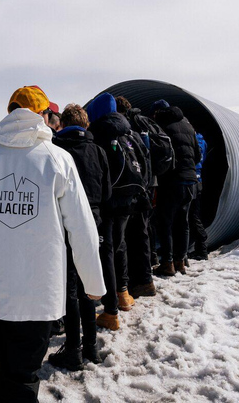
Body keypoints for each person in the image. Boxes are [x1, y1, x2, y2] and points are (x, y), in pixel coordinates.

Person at [0, 86, 106, 402]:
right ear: (44, 114)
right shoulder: (58, 160)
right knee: (20, 376)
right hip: (36, 296)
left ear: (10, 112)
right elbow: (82, 228)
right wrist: (93, 282)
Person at [49, 104, 111, 370]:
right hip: (94, 220)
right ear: (86, 124)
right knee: (89, 283)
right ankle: (92, 346)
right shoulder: (98, 150)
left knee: (70, 288)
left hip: (64, 222)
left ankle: (73, 348)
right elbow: (108, 190)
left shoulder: (57, 150)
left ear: (63, 123)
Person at [86, 93, 149, 331]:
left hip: (109, 202)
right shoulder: (129, 132)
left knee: (106, 250)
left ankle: (110, 311)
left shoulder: (98, 133)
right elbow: (144, 162)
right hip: (130, 199)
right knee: (119, 244)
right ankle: (123, 294)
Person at [115, 96, 160, 298]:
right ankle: (146, 281)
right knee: (141, 235)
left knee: (124, 239)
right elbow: (147, 159)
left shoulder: (116, 135)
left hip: (126, 196)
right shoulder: (135, 133)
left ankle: (128, 285)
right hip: (143, 191)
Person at [150, 100, 201, 276]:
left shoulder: (162, 126)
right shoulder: (187, 125)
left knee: (166, 223)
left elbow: (159, 154)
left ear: (157, 113)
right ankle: (181, 261)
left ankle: (167, 263)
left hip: (172, 182)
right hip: (191, 181)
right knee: (183, 222)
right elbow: (197, 155)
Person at [188, 132, 208, 260]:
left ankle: (201, 248)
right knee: (194, 215)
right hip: (198, 179)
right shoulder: (202, 141)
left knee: (191, 216)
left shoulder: (190, 141)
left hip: (189, 179)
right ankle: (201, 248)